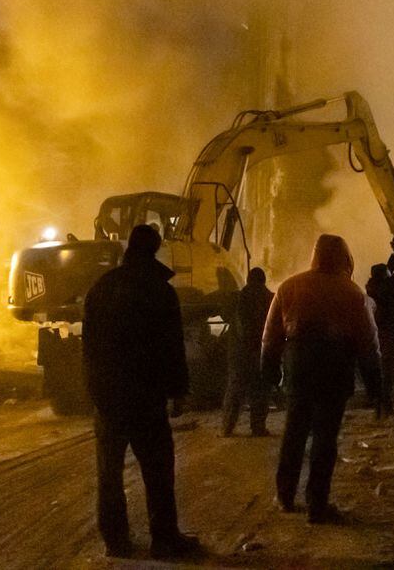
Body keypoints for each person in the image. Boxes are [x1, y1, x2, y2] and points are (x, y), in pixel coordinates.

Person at [81, 224, 200, 560]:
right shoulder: (159, 291)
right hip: (146, 398)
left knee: (109, 471)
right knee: (158, 470)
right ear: (155, 249)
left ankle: (115, 541)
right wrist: (178, 391)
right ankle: (164, 539)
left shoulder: (101, 288)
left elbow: (88, 345)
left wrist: (93, 390)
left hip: (108, 398)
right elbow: (171, 347)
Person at [262, 233, 381, 524]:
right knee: (325, 438)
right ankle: (317, 504)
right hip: (334, 367)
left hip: (299, 365)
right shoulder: (353, 293)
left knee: (294, 432)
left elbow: (270, 337)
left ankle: (285, 496)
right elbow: (368, 344)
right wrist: (376, 388)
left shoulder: (289, 286)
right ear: (345, 258)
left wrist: (269, 374)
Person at [222, 266, 275, 437]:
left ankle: (227, 427)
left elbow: (225, 316)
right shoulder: (271, 298)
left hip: (239, 353)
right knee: (261, 390)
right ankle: (258, 427)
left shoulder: (238, 297)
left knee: (235, 389)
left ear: (248, 279)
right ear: (263, 280)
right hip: (261, 351)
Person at [365, 239, 394, 417]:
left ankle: (378, 407)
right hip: (389, 332)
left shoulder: (376, 285)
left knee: (382, 370)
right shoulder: (387, 286)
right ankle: (387, 407)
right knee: (389, 370)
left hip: (381, 331)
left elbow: (389, 272)